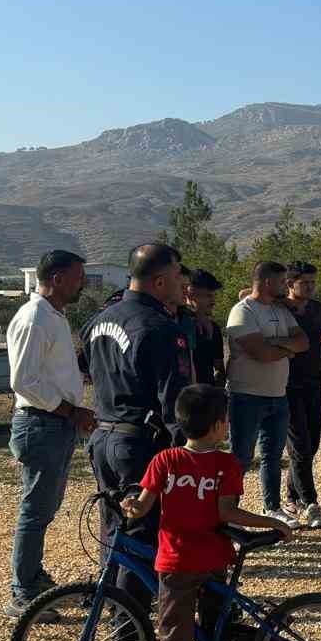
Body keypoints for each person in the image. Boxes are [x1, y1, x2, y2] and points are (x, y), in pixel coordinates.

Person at [120, 385, 294, 641]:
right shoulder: (226, 464)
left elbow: (142, 507)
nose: (228, 425)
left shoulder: (165, 460)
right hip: (214, 557)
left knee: (174, 633)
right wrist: (273, 520)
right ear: (217, 426)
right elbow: (227, 512)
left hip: (175, 561)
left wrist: (128, 505)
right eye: (227, 420)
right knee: (216, 627)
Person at [82, 242, 190, 583]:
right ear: (159, 282)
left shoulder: (98, 321)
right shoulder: (159, 328)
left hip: (103, 438)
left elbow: (85, 366)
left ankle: (115, 610)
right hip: (140, 445)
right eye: (176, 276)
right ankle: (130, 633)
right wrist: (188, 455)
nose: (181, 283)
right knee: (142, 536)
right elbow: (175, 402)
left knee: (113, 531)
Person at [4, 249, 95, 618]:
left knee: (44, 508)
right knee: (35, 510)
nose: (81, 284)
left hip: (54, 424)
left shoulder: (51, 316)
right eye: (77, 277)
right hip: (41, 424)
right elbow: (24, 380)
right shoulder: (34, 318)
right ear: (57, 279)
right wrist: (71, 410)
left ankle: (33, 578)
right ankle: (22, 593)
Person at [224, 261, 308, 526]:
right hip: (246, 395)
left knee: (272, 456)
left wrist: (275, 344)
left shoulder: (281, 312)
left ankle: (271, 507)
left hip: (277, 395)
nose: (287, 286)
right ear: (268, 282)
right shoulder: (242, 311)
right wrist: (286, 348)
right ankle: (230, 515)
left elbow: (303, 342)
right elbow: (261, 353)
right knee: (241, 458)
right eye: (283, 282)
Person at [282, 261, 321, 528]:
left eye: (313, 282)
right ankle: (310, 502)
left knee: (311, 444)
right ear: (290, 284)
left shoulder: (317, 308)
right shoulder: (279, 307)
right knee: (300, 445)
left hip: (314, 381)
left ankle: (292, 495)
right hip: (287, 384)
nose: (311, 287)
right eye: (305, 283)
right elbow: (246, 295)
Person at [185, 269, 225, 387]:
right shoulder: (176, 325)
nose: (213, 301)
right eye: (208, 296)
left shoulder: (214, 328)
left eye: (213, 296)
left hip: (207, 397)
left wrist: (218, 389)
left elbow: (219, 367)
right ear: (190, 294)